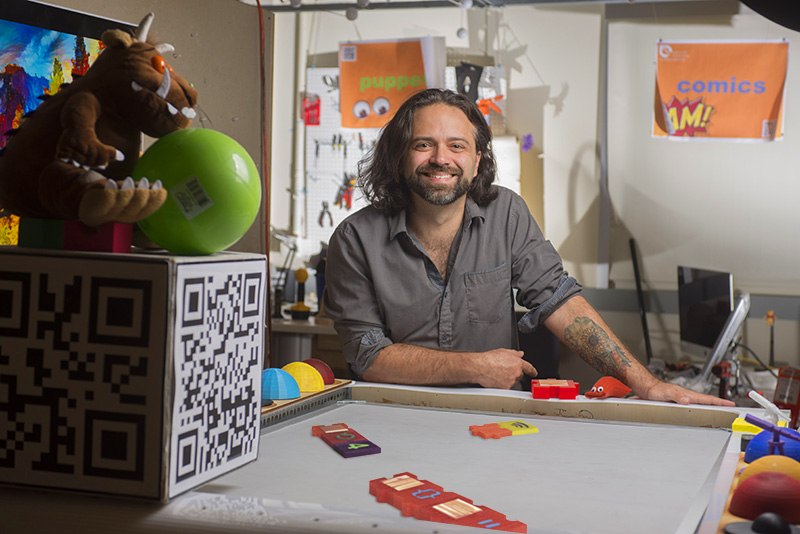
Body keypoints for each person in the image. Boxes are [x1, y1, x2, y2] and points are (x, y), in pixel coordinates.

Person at [324, 88, 733, 407]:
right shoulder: (354, 239)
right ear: (399, 158)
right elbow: (368, 356)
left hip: (496, 419)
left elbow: (558, 301)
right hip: (394, 418)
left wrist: (646, 384)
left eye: (457, 145)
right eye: (423, 144)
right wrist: (474, 366)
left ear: (478, 159)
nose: (440, 158)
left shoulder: (507, 213)